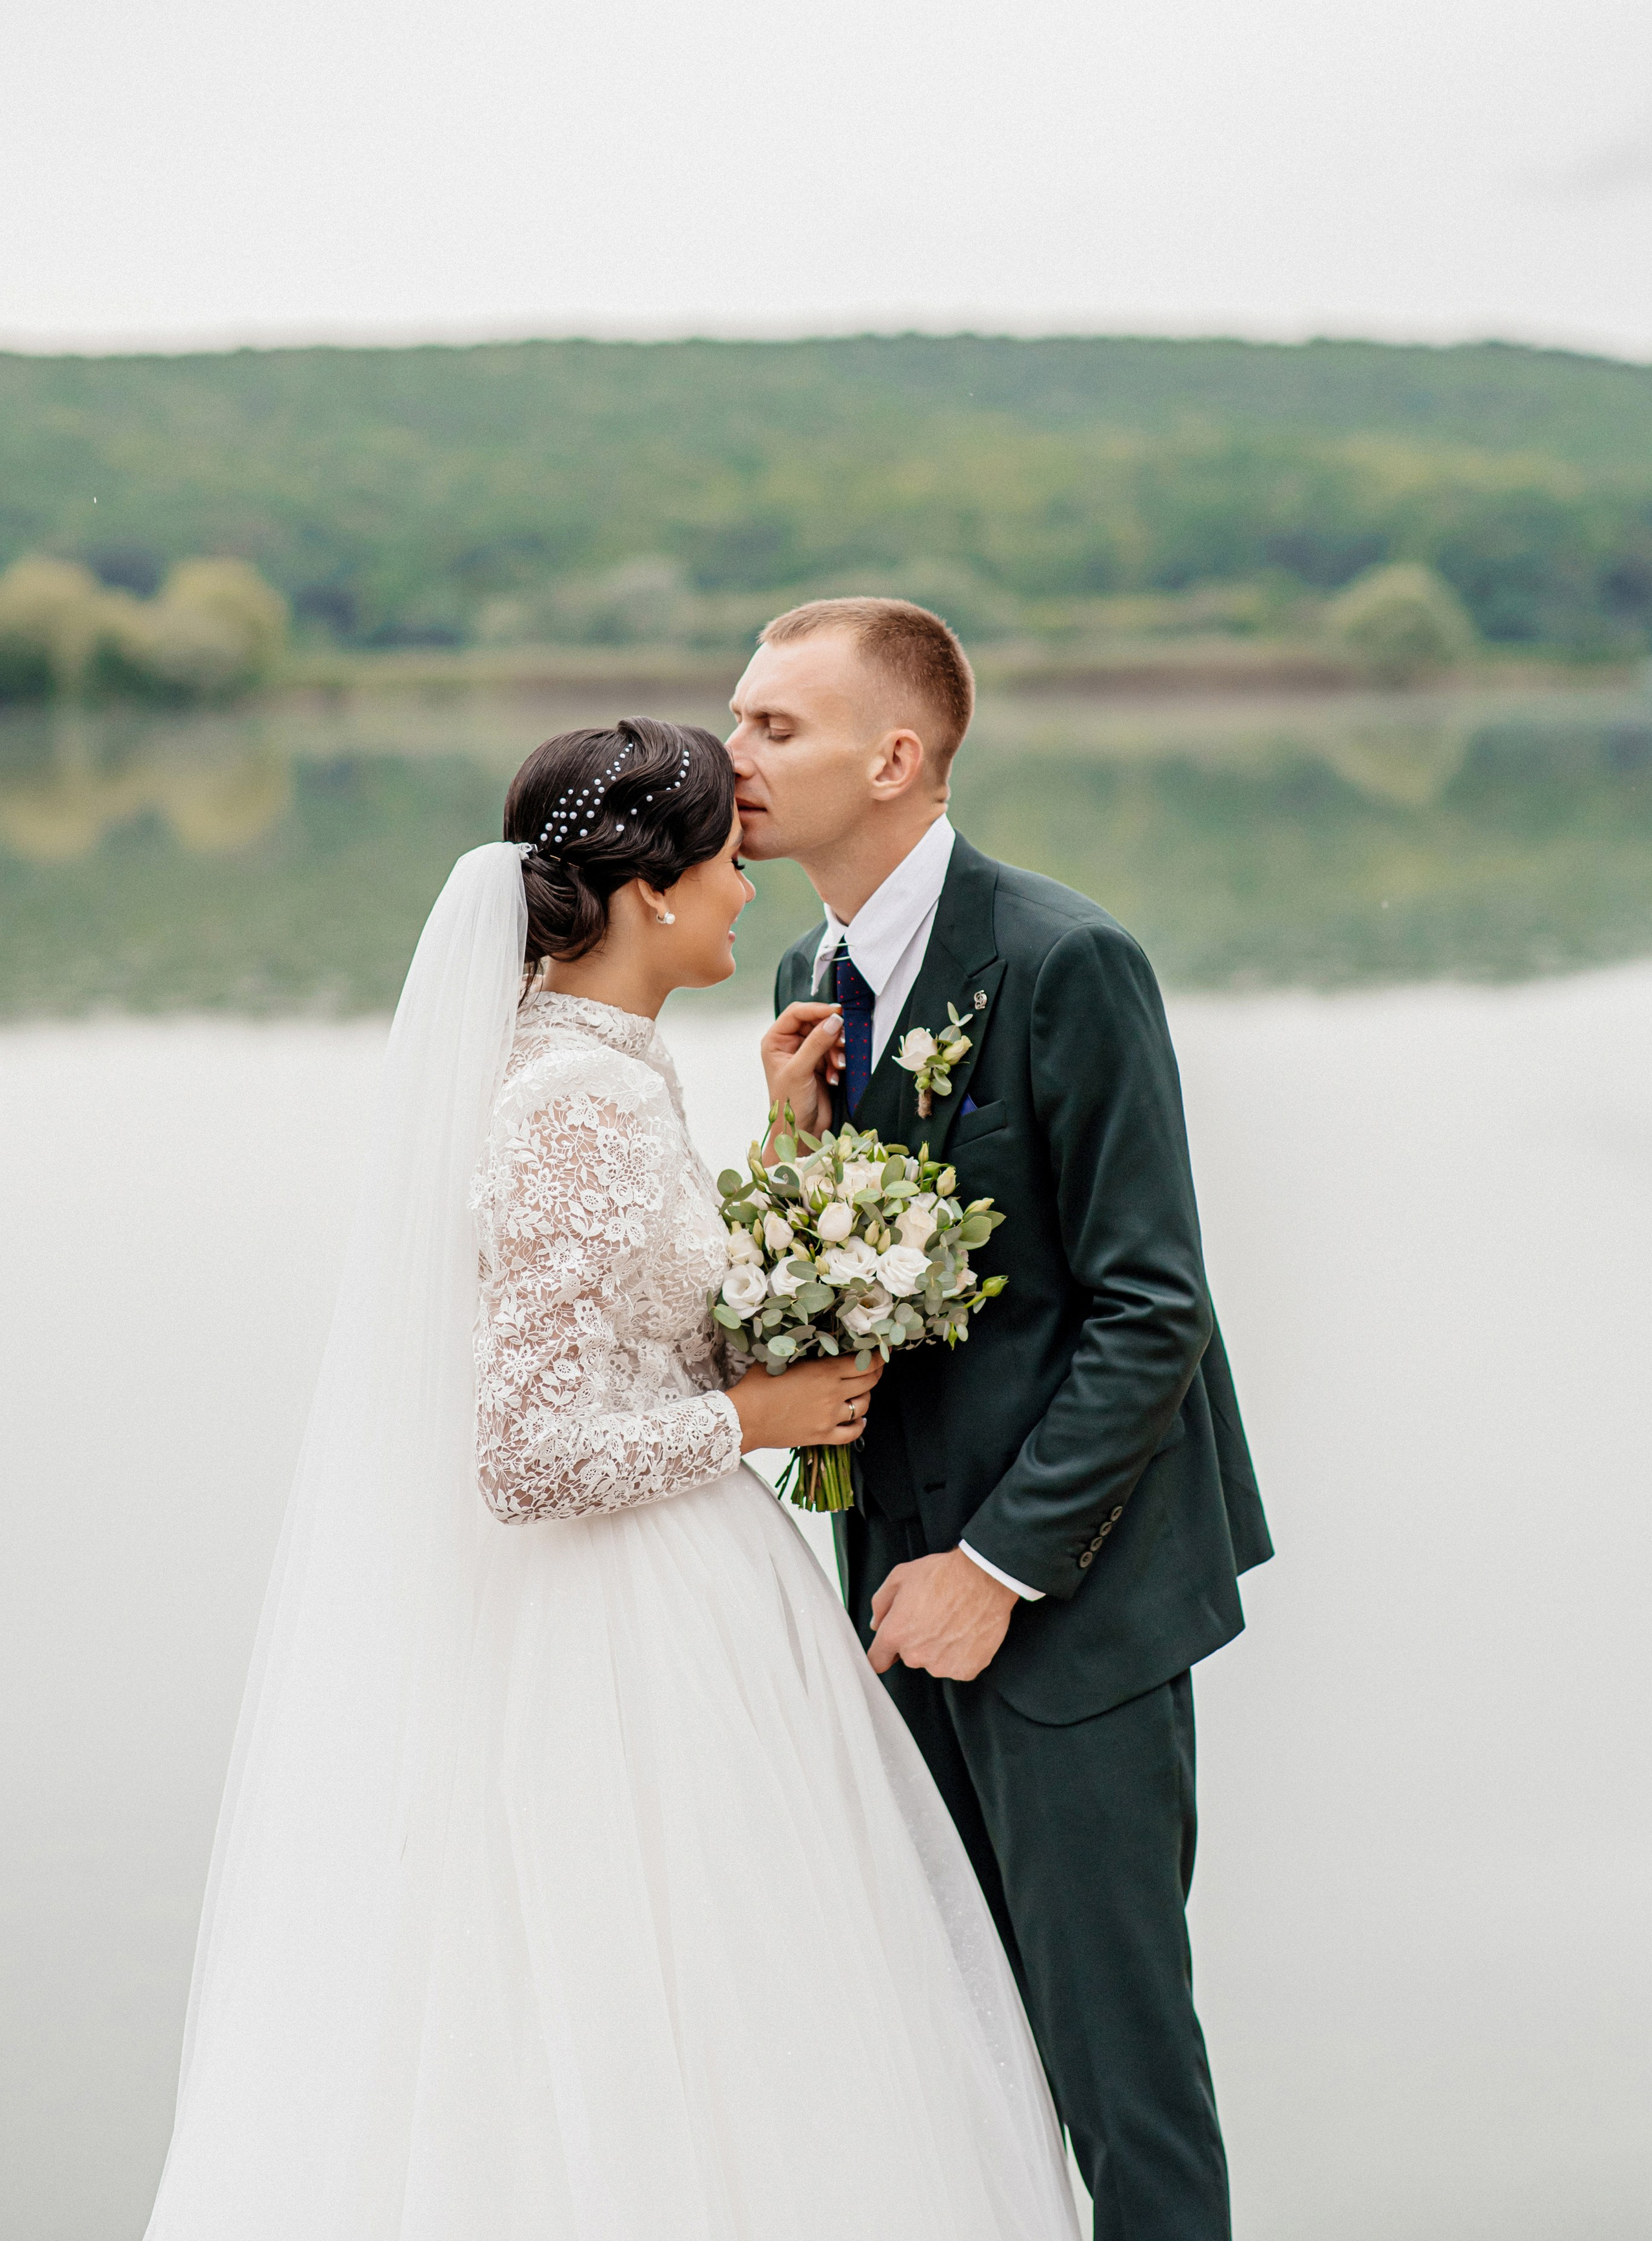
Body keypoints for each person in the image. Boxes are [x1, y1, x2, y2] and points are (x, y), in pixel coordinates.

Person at [142, 716, 1076, 2241]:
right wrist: (754, 1419)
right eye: (725, 866)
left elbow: (648, 1327)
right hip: (618, 1635)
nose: (747, 893)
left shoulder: (605, 1072)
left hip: (680, 1588)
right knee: (655, 2004)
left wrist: (787, 1145)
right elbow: (525, 1454)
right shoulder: (570, 1101)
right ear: (650, 892)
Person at [735, 601, 1273, 2241]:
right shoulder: (807, 978)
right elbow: (861, 1302)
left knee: (1120, 2082)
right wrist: (793, 1141)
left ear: (892, 758)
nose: (731, 754)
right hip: (890, 1600)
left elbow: (1150, 1308)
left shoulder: (1061, 961)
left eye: (773, 727)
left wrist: (994, 1568)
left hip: (1067, 1603)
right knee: (951, 2058)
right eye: (738, 719)